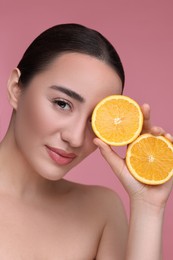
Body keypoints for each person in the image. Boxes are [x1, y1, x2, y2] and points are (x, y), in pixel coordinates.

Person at [0, 23, 172, 259]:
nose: (76, 137)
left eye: (94, 120)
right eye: (62, 103)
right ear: (16, 89)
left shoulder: (101, 211)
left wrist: (149, 207)